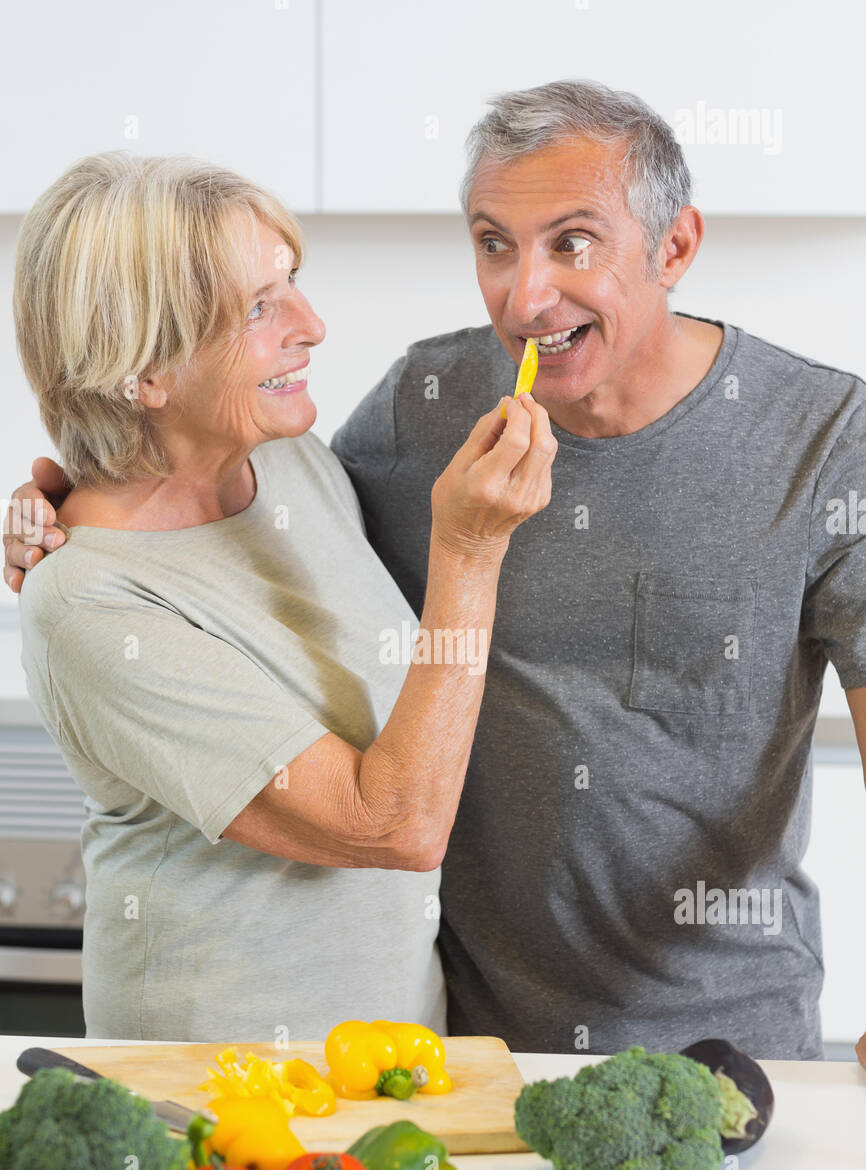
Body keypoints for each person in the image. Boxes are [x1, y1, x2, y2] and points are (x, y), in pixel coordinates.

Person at [2, 150, 555, 1042]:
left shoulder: (289, 463)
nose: (313, 325)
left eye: (292, 282)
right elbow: (395, 826)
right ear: (145, 373)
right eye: (259, 308)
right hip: (221, 1093)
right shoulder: (88, 600)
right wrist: (472, 551)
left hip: (386, 1057)